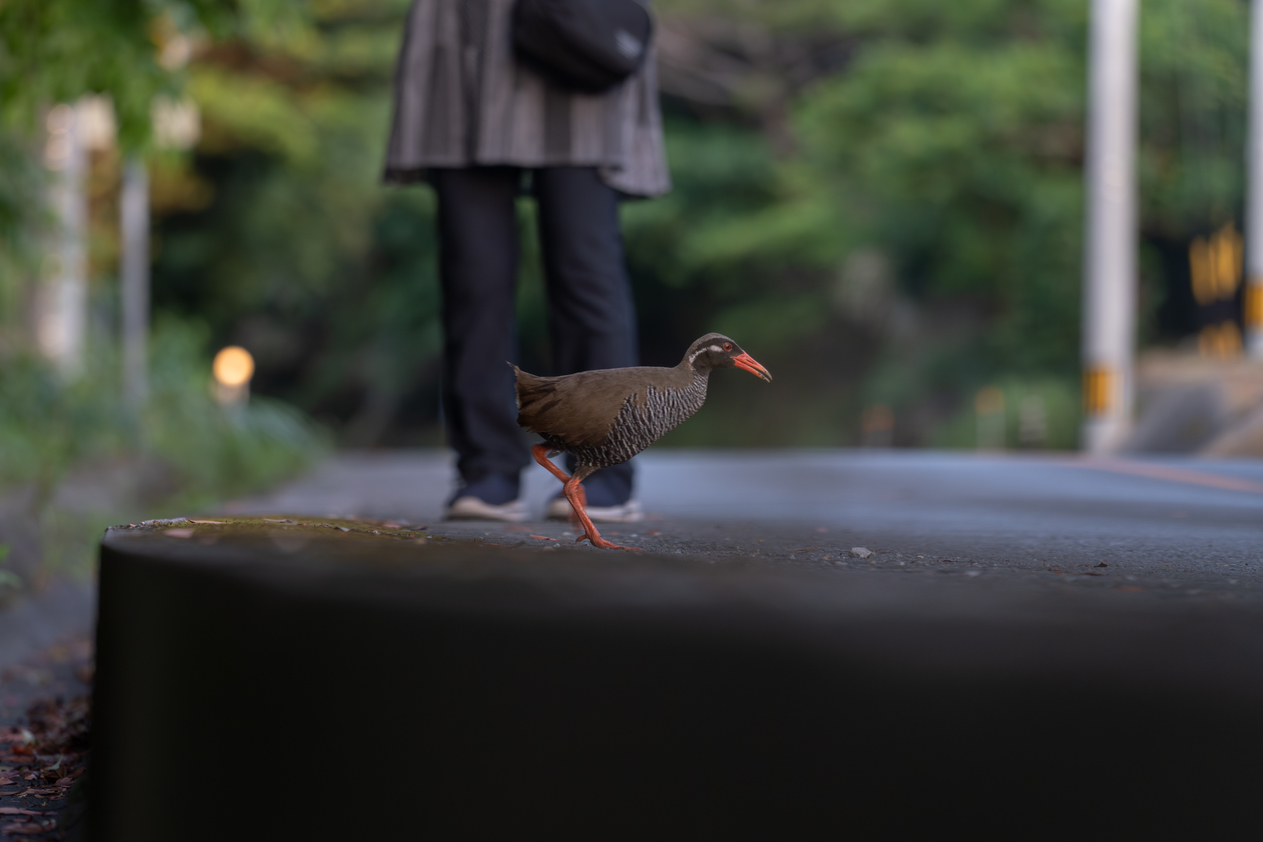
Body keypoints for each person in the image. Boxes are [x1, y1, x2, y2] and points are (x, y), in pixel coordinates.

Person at [384, 0, 670, 522]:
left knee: (585, 273)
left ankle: (602, 469)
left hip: (575, 46)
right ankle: (487, 470)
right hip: (464, 48)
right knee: (473, 277)